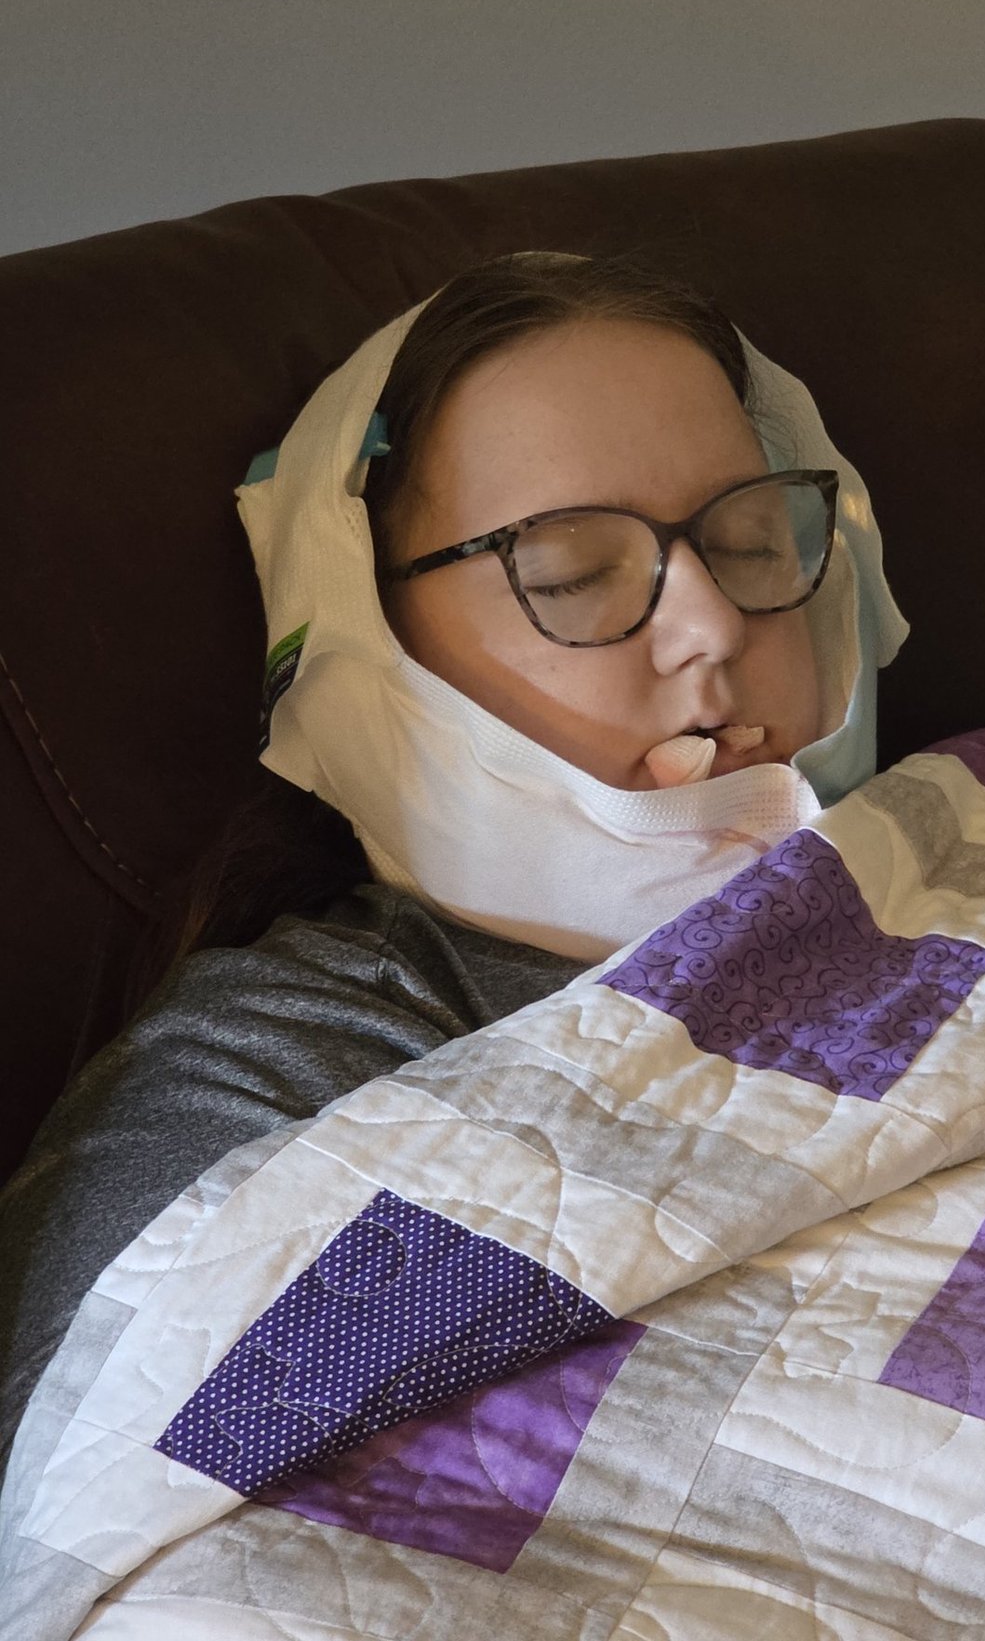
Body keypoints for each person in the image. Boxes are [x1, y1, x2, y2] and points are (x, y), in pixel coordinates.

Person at [0, 252, 906, 1468]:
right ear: (366, 648)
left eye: (749, 542)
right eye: (571, 574)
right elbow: (93, 1509)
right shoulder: (273, 1075)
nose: (712, 628)